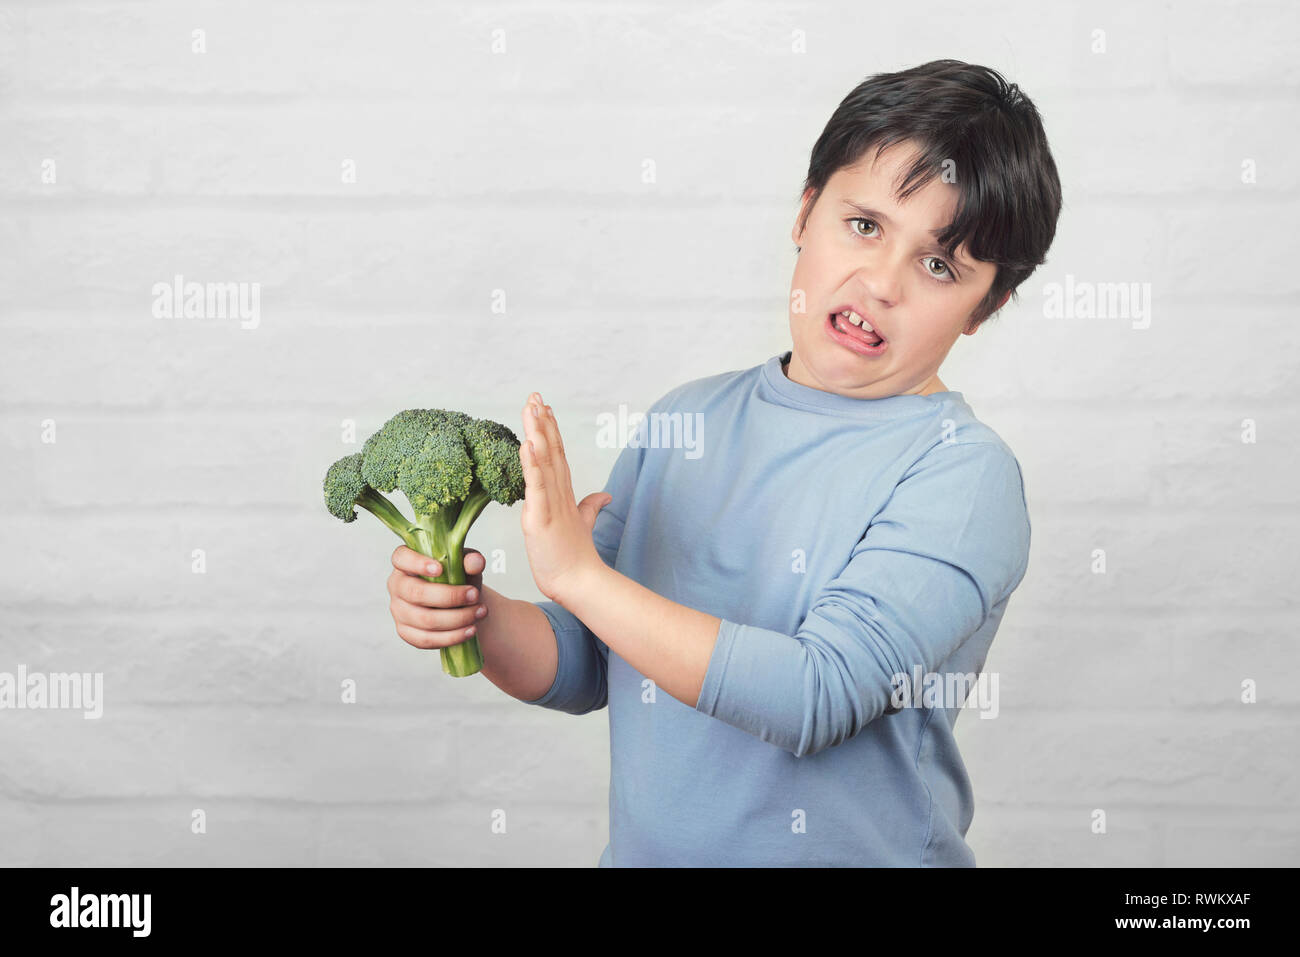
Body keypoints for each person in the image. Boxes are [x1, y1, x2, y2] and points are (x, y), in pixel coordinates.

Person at [387, 59, 1062, 866]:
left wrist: (580, 575)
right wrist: (477, 615)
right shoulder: (687, 420)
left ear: (984, 308)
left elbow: (817, 695)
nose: (881, 281)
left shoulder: (964, 476)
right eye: (866, 224)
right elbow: (585, 661)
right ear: (806, 211)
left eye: (939, 264)